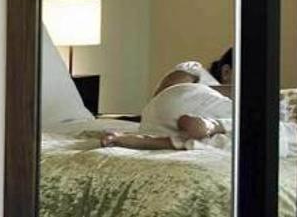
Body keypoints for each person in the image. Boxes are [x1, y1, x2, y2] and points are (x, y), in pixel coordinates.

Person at [98, 61, 233, 151]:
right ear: (226, 71)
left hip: (155, 125)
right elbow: (170, 90)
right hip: (175, 106)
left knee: (224, 141)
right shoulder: (196, 72)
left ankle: (131, 140)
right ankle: (209, 126)